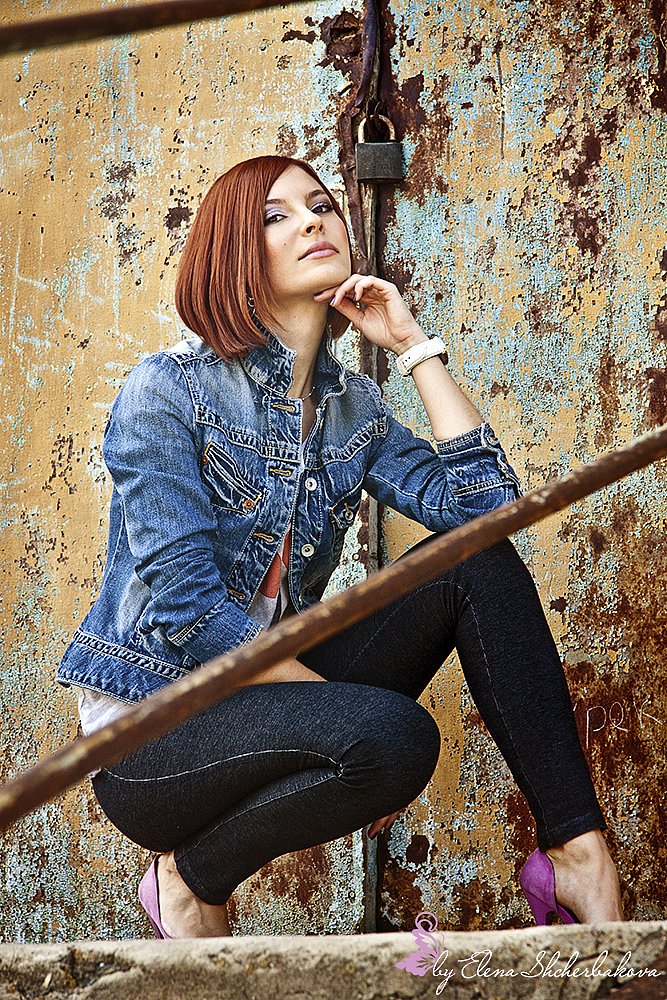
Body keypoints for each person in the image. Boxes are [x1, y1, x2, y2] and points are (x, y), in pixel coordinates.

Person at [56, 155, 625, 938]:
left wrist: (412, 346)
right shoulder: (168, 391)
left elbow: (488, 516)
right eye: (275, 216)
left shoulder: (351, 408)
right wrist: (340, 710)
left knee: (476, 563)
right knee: (393, 736)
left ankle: (575, 851)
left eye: (320, 205)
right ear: (233, 252)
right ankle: (190, 877)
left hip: (265, 698)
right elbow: (192, 616)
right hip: (154, 736)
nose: (312, 221)